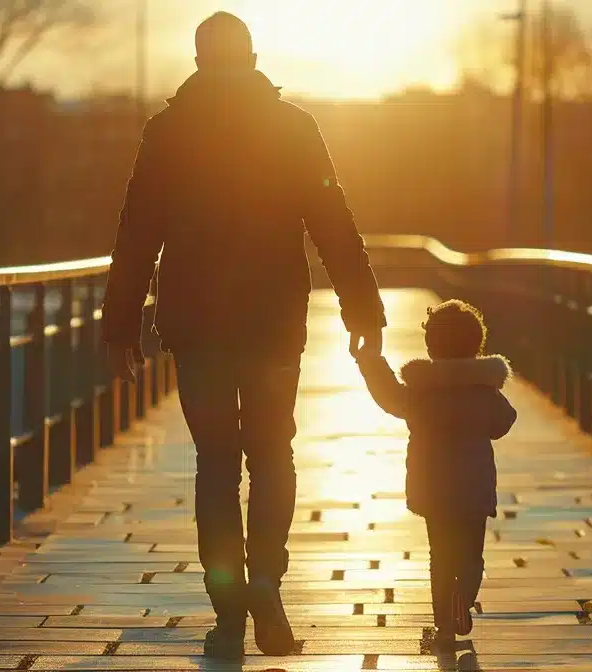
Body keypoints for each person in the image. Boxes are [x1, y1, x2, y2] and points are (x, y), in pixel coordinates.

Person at [101, 11, 386, 660]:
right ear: (253, 57)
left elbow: (136, 233)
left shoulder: (168, 133)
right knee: (272, 452)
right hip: (273, 321)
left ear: (199, 60)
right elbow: (333, 220)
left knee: (216, 464)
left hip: (198, 324)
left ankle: (228, 608)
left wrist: (119, 328)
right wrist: (362, 311)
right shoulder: (292, 127)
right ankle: (265, 582)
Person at [353, 299, 516, 652]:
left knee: (439, 555)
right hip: (474, 489)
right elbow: (504, 422)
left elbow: (390, 399)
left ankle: (444, 624)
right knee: (472, 553)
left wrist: (370, 362)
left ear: (430, 345)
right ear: (477, 344)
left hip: (434, 489)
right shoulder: (484, 390)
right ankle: (465, 595)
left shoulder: (419, 391)